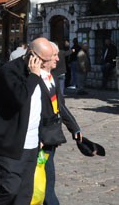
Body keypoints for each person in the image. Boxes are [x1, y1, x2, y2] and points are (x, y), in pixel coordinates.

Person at [0, 37, 50, 204]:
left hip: (31, 144)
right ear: (31, 54)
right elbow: (20, 98)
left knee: (24, 194)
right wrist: (35, 76)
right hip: (8, 142)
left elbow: (42, 108)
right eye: (44, 60)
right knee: (10, 187)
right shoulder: (10, 71)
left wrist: (41, 136)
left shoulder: (43, 75)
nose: (46, 64)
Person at [42, 42, 82, 205]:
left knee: (47, 177)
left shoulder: (51, 77)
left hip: (51, 135)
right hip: (40, 138)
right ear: (43, 58)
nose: (58, 59)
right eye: (55, 56)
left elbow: (60, 106)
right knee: (46, 177)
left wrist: (74, 127)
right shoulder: (33, 80)